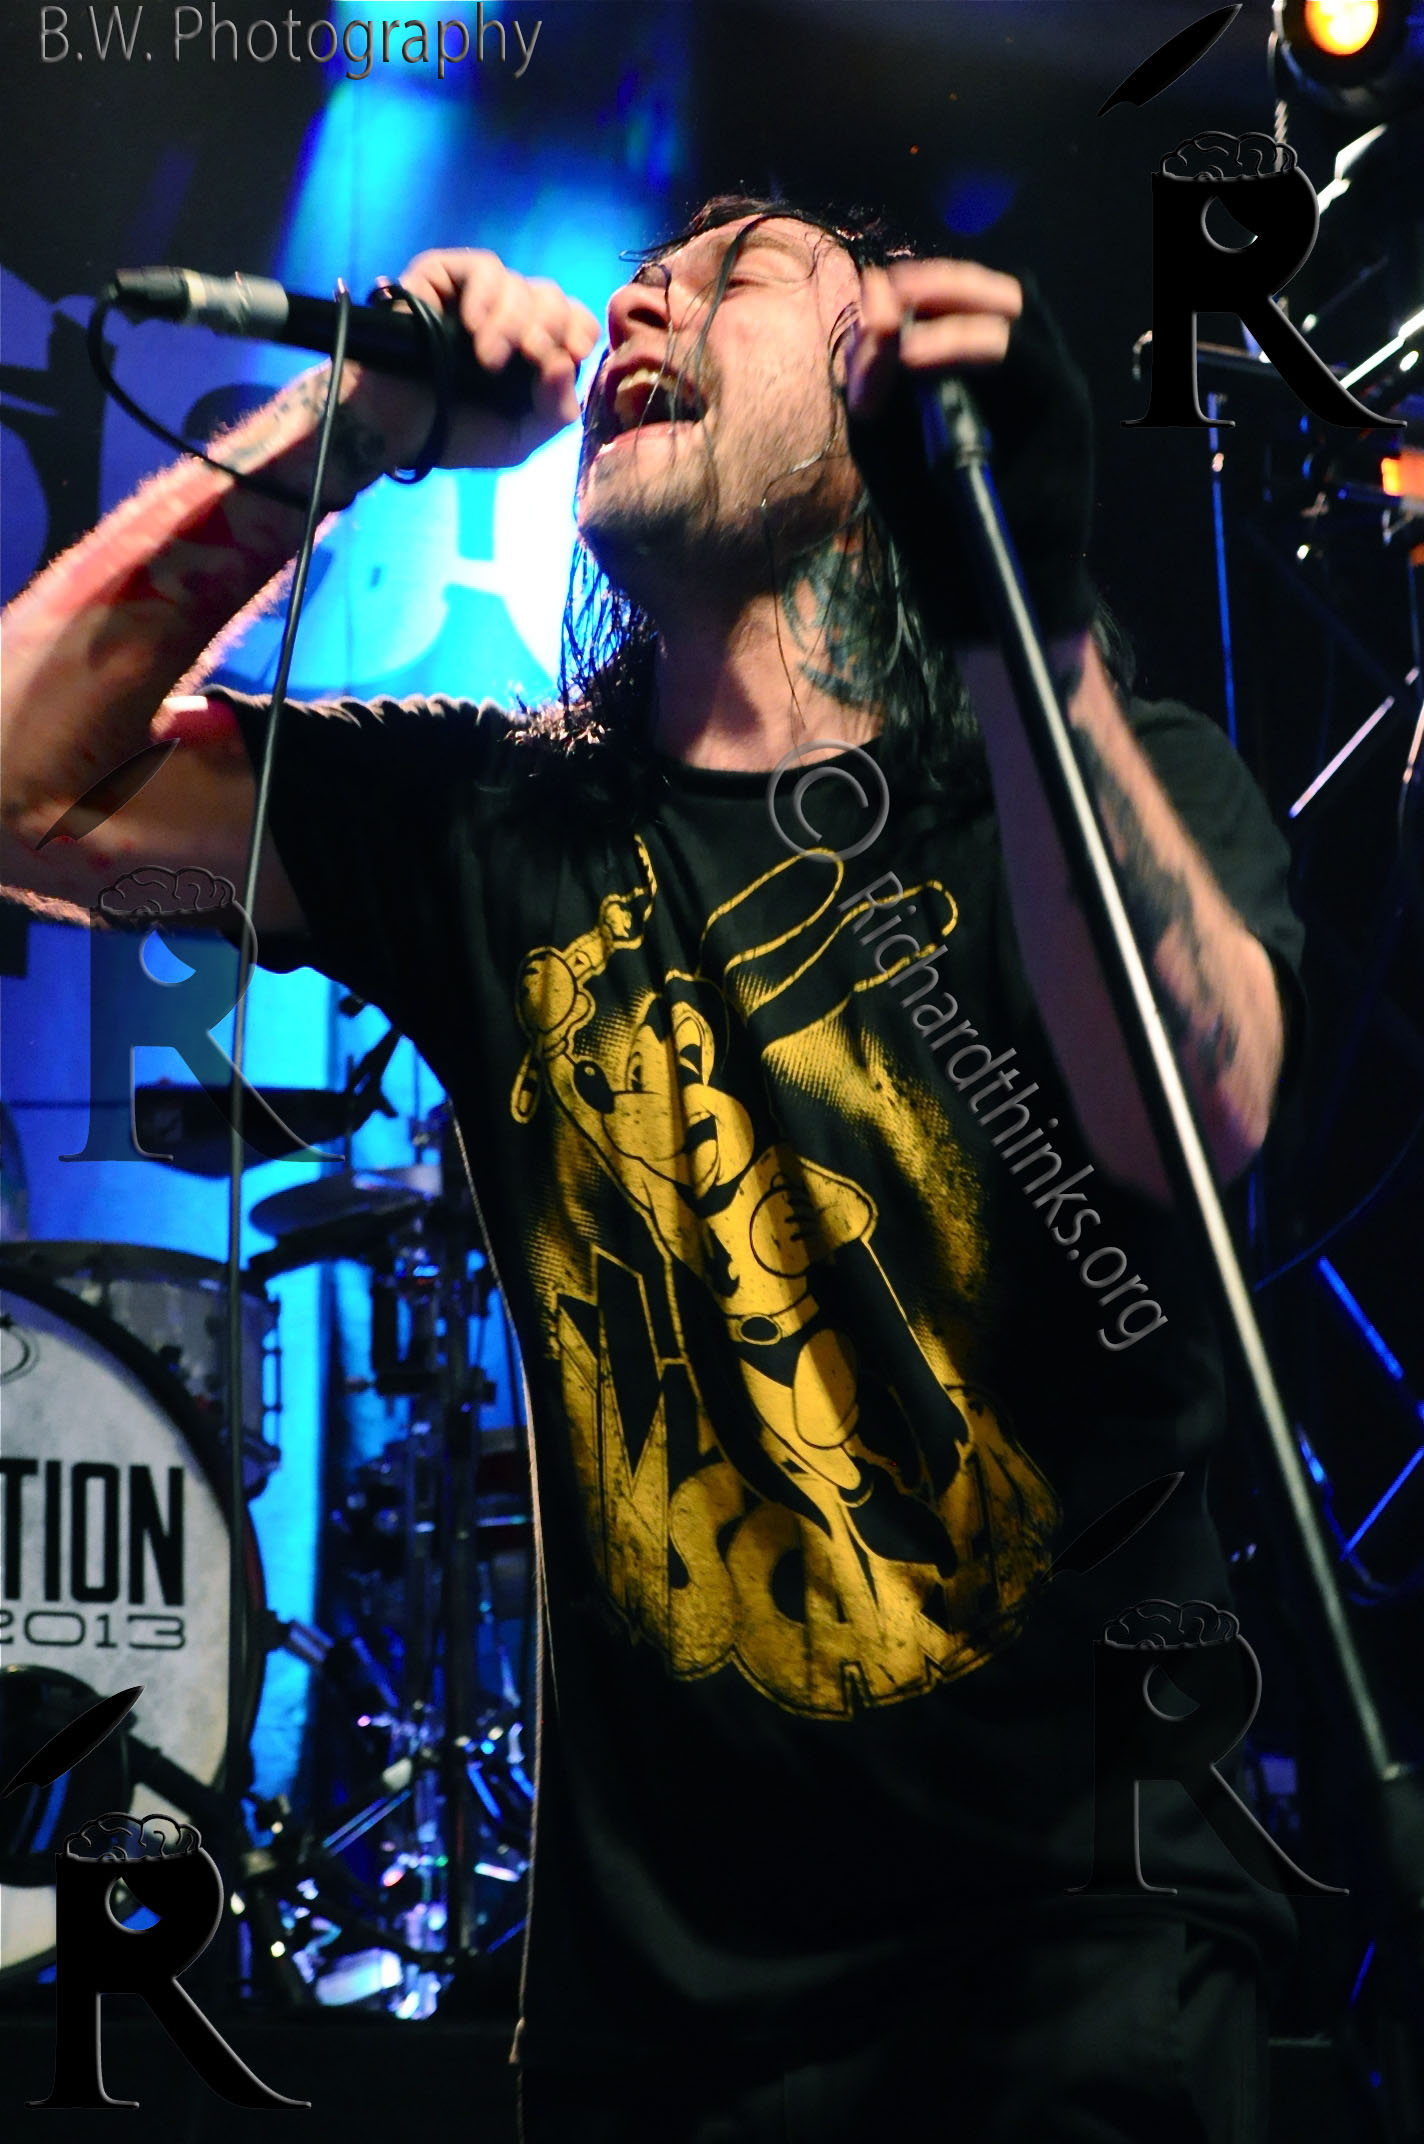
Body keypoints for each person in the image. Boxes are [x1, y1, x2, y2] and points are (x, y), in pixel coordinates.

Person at [1, 193, 1306, 2142]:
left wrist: (1023, 623)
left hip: (1073, 1986)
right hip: (657, 2041)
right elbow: (24, 791)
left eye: (736, 274)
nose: (646, 304)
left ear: (879, 401)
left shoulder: (1066, 788)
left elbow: (1195, 1119)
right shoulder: (491, 821)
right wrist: (358, 417)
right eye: (639, 283)